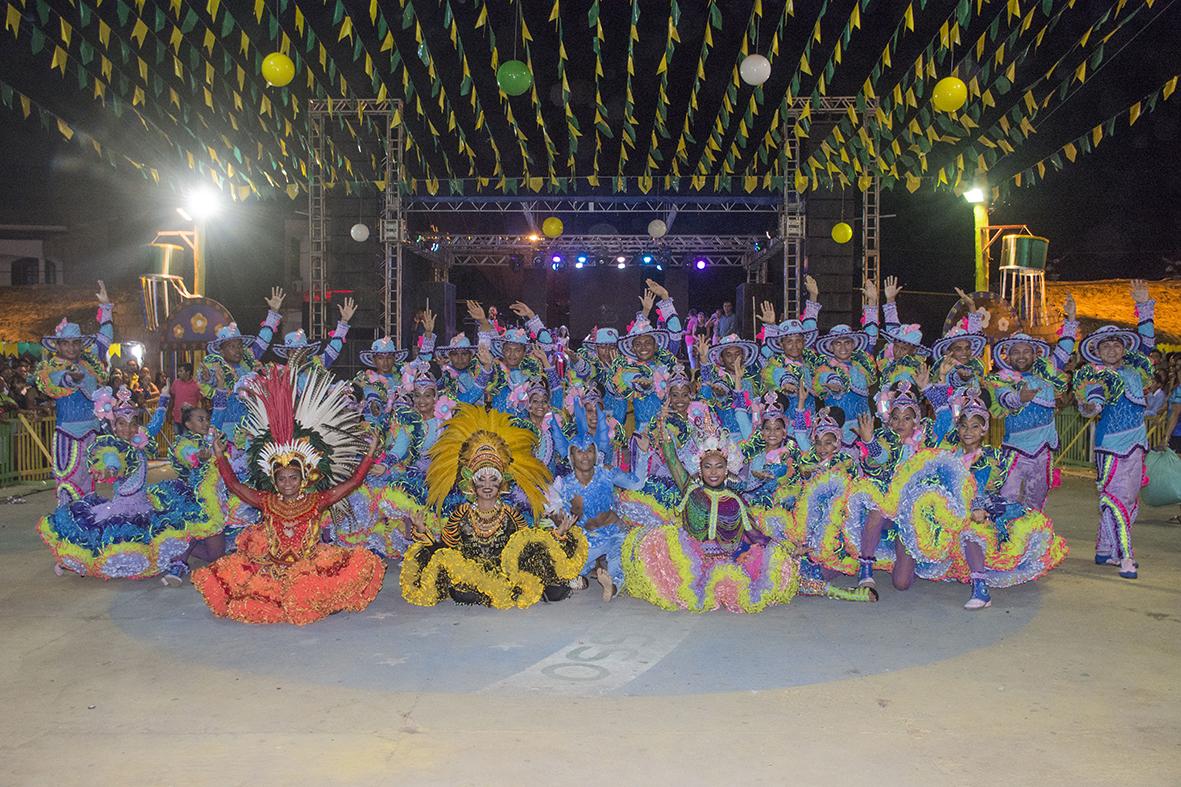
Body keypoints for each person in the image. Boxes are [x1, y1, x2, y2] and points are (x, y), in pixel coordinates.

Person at [192, 366, 386, 625]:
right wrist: (219, 456)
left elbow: (353, 482)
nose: (287, 483)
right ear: (274, 480)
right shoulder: (266, 501)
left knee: (340, 580)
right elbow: (235, 486)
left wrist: (369, 454)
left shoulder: (317, 501)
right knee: (240, 587)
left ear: (304, 478)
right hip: (272, 568)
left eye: (293, 478)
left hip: (310, 566)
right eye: (281, 478)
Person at [399, 405, 589, 608]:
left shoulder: (510, 514)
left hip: (506, 572)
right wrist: (423, 532)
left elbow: (529, 546)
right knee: (460, 592)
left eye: (493, 479)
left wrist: (558, 534)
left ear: (502, 483)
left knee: (551, 589)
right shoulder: (461, 514)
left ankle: (562, 579)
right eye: (482, 478)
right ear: (471, 482)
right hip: (472, 574)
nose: (487, 485)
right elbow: (445, 549)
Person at [621, 406, 799, 613]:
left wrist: (784, 547)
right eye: (707, 466)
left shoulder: (736, 501)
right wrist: (662, 426)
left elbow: (754, 534)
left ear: (727, 469)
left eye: (719, 467)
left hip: (727, 558)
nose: (713, 472)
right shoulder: (691, 490)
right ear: (700, 468)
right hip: (691, 558)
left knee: (758, 570)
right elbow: (671, 459)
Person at [37, 383, 218, 580]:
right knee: (100, 544)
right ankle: (70, 562)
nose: (128, 429)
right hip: (124, 508)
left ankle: (182, 560)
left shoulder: (139, 440)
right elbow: (113, 464)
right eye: (122, 423)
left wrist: (164, 398)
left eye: (133, 423)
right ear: (114, 426)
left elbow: (156, 423)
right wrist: (108, 471)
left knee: (175, 525)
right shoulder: (113, 449)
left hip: (145, 503)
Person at [1073, 279, 1155, 579]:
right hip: (1110, 447)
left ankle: (1104, 548)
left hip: (1136, 445)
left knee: (1129, 501)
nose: (1111, 348)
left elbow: (1148, 343)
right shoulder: (1095, 376)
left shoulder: (1136, 370)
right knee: (1116, 500)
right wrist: (1090, 407)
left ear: (1123, 348)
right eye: (1105, 345)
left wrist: (1144, 308)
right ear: (1097, 351)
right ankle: (1125, 556)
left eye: (1116, 343)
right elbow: (1089, 404)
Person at [985, 294, 1079, 509]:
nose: (1021, 356)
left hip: (1042, 454)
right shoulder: (1001, 379)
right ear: (1007, 357)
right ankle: (1006, 541)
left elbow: (1064, 350)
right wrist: (1020, 398)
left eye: (1026, 351)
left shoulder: (1047, 373)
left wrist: (1071, 319)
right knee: (1007, 503)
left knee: (1035, 507)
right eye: (1015, 352)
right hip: (1015, 452)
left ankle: (1031, 541)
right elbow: (1005, 400)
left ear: (1035, 355)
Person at [34, 280, 113, 505]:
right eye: (66, 344)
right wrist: (70, 378)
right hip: (68, 434)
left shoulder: (89, 363)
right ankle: (67, 527)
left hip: (91, 432)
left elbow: (105, 338)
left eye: (75, 343)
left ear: (81, 344)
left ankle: (85, 526)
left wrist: (106, 307)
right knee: (67, 482)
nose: (71, 348)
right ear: (58, 346)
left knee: (89, 484)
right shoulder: (52, 367)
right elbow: (52, 381)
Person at [170, 363, 202, 433]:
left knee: (187, 442)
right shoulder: (176, 383)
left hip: (189, 421)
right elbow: (172, 398)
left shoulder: (196, 385)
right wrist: (169, 413)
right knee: (177, 441)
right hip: (176, 418)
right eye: (178, 371)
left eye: (181, 371)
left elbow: (200, 400)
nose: (178, 373)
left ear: (188, 372)